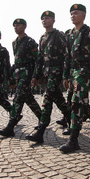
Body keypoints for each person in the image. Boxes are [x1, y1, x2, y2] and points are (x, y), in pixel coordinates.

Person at [59, 4, 90, 153]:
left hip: (84, 72)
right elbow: (67, 57)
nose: (73, 16)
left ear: (84, 16)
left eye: (76, 13)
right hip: (73, 72)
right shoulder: (69, 34)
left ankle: (73, 140)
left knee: (76, 102)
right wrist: (66, 76)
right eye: (71, 13)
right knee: (81, 103)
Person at [26, 11, 72, 143]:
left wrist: (65, 75)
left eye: (47, 18)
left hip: (56, 71)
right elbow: (40, 58)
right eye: (43, 19)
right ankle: (71, 121)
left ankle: (40, 131)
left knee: (47, 99)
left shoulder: (59, 35)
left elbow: (67, 55)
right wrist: (36, 75)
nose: (44, 20)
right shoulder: (42, 38)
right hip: (47, 73)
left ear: (53, 20)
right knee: (58, 99)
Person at [0, 19, 42, 137]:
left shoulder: (30, 41)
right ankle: (43, 119)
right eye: (14, 26)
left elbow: (37, 60)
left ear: (25, 26)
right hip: (18, 74)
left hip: (27, 74)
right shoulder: (14, 42)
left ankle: (10, 127)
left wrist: (36, 76)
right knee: (28, 99)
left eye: (19, 25)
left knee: (17, 98)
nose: (16, 27)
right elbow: (16, 61)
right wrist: (12, 77)